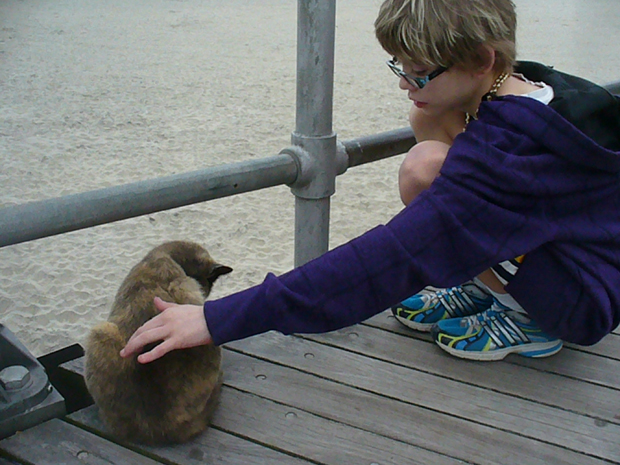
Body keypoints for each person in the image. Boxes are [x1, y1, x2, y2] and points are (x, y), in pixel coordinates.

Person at [121, 0, 620, 364]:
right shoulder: (531, 86)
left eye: (420, 73)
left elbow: (386, 258)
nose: (405, 83)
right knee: (427, 127)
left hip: (579, 302)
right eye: (399, 68)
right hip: (578, 252)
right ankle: (488, 285)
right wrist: (432, 91)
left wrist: (216, 318)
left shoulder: (506, 159)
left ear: (484, 59)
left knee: (426, 173)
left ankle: (529, 323)